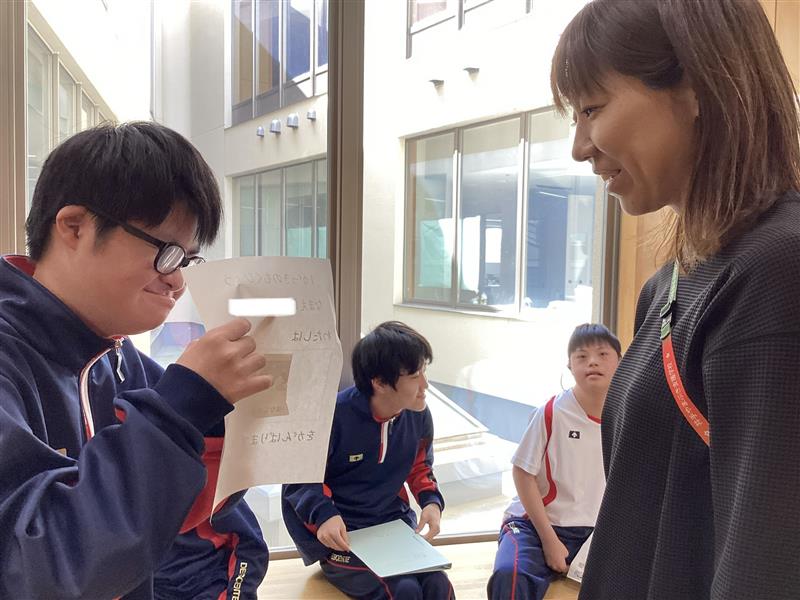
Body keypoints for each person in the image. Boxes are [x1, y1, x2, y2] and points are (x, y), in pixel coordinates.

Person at [551, 1, 800, 598]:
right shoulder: (665, 287)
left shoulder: (779, 271)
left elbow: (765, 567)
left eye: (592, 109)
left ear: (694, 86)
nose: (580, 147)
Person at [0, 122, 273, 599]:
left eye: (187, 261)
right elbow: (34, 569)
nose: (177, 281)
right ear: (75, 227)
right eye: (166, 253)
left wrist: (225, 424)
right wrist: (183, 410)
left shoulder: (119, 357)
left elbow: (173, 519)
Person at [282, 321, 455, 600]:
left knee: (439, 584)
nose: (425, 385)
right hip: (343, 536)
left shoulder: (418, 414)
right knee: (404, 591)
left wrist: (431, 503)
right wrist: (324, 516)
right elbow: (300, 479)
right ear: (380, 382)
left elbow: (420, 467)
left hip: (392, 526)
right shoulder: (332, 418)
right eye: (414, 376)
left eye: (424, 371)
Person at [487, 323, 621, 600]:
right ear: (570, 366)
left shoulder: (628, 416)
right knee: (510, 576)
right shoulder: (551, 413)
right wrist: (549, 540)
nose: (592, 362)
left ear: (621, 362)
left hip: (597, 532)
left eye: (602, 354)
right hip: (535, 525)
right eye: (581, 356)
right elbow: (522, 473)